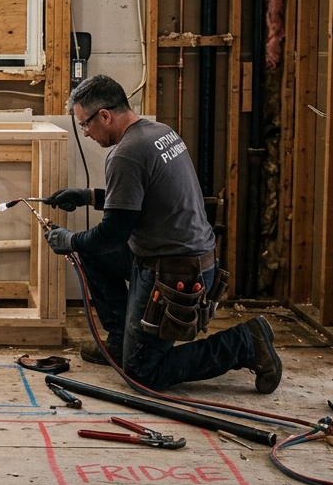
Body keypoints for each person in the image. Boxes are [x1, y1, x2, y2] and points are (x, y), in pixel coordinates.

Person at [41, 74, 283, 394]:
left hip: (173, 272)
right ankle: (120, 341)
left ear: (105, 115)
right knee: (92, 252)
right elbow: (148, 199)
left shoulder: (126, 153)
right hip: (184, 257)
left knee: (143, 373)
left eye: (85, 124)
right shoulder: (159, 133)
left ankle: (245, 342)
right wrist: (87, 196)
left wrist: (68, 240)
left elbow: (114, 233)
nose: (85, 133)